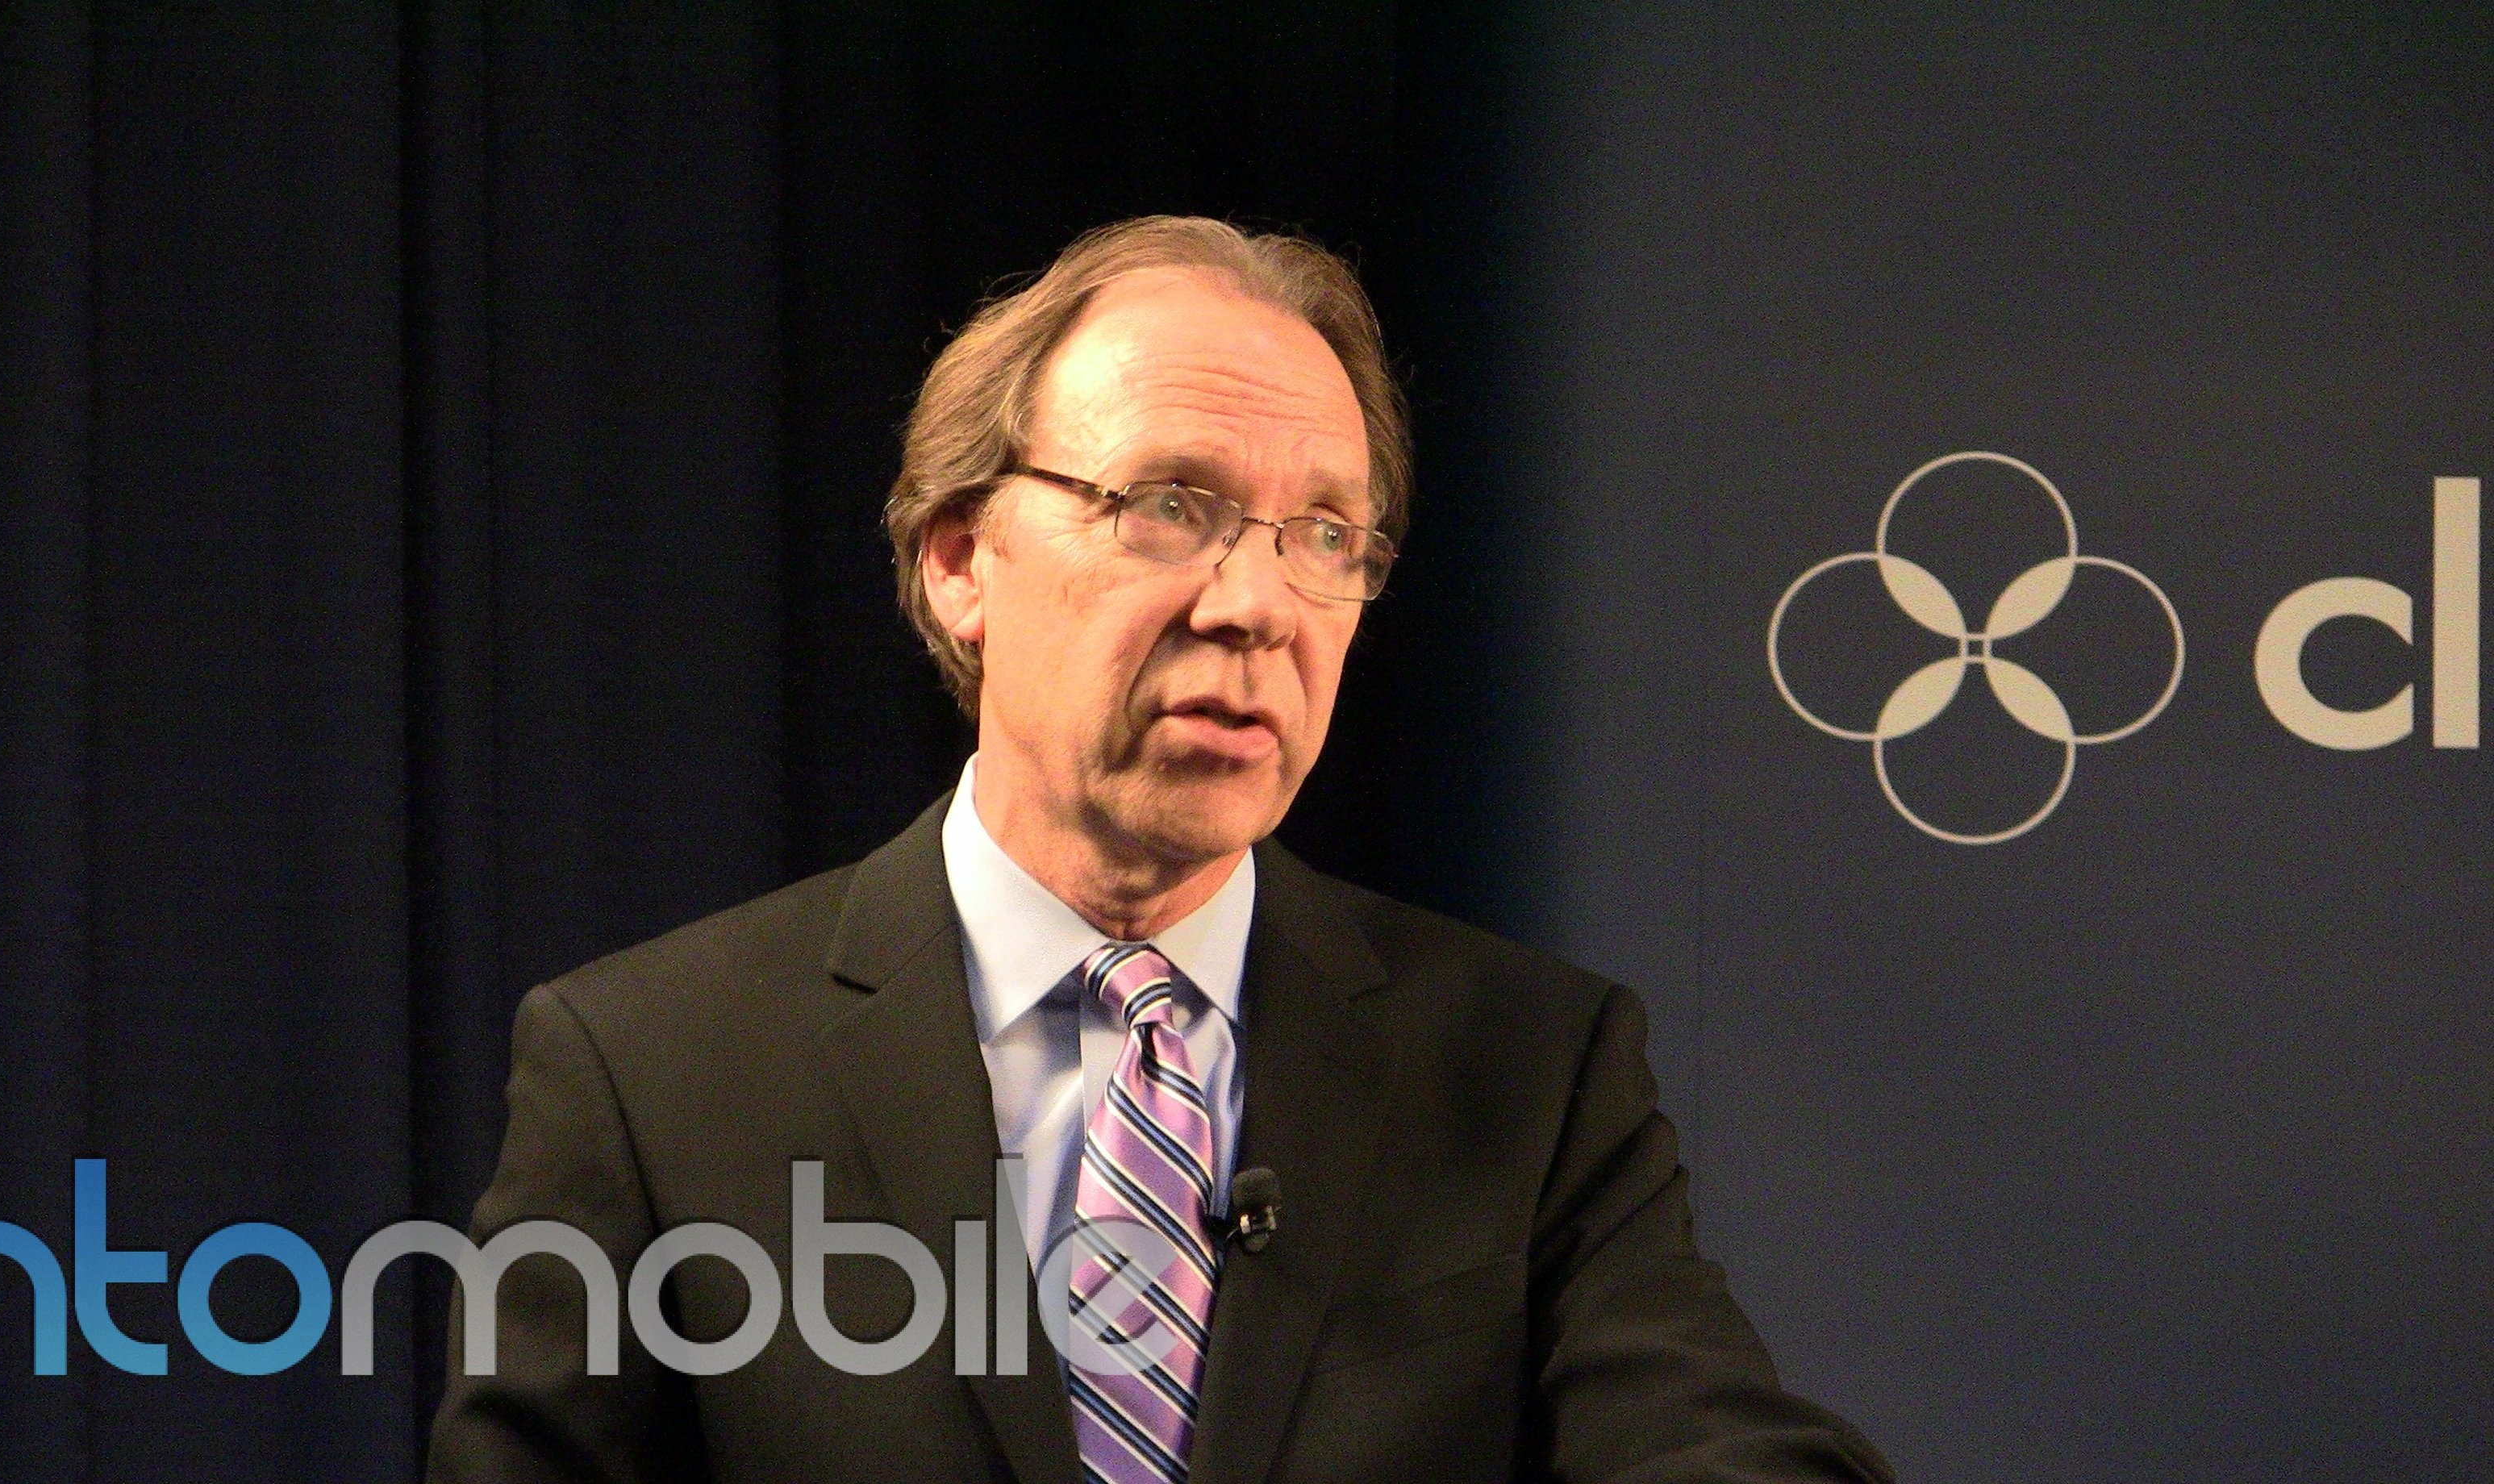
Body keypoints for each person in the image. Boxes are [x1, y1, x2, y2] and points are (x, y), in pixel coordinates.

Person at [427, 215, 1892, 1483]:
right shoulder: (652, 1068)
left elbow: (1708, 1441)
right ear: (958, 561)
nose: (1256, 603)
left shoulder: (1529, 1066)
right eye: (1171, 506)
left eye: (1326, 537)